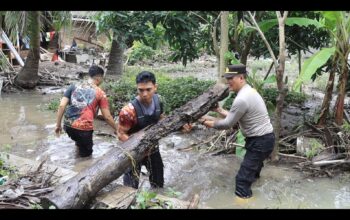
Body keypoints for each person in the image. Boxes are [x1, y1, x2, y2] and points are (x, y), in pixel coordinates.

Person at [199, 64, 275, 200]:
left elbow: (228, 123)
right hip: (264, 139)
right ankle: (258, 198)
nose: (228, 81)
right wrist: (219, 111)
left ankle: (244, 201)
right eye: (227, 78)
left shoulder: (241, 99)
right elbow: (237, 116)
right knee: (253, 174)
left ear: (241, 78)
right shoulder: (249, 91)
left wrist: (206, 122)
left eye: (231, 78)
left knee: (241, 181)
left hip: (259, 142)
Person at [117, 71, 192, 189]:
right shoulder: (128, 111)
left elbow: (162, 119)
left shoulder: (159, 101)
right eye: (141, 90)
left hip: (152, 148)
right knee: (129, 189)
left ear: (155, 87)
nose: (145, 94)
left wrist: (179, 126)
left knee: (158, 184)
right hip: (133, 152)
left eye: (148, 89)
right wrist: (139, 149)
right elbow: (121, 134)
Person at [55, 65, 117, 157]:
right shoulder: (100, 93)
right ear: (99, 78)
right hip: (84, 129)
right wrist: (117, 129)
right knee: (87, 158)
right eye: (102, 78)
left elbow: (62, 105)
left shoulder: (73, 86)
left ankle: (77, 154)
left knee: (78, 142)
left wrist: (58, 125)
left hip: (68, 126)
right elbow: (107, 117)